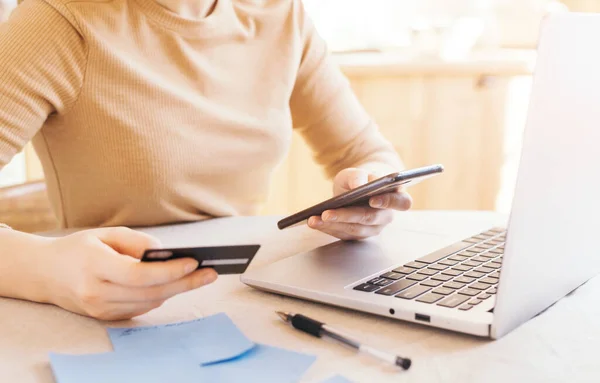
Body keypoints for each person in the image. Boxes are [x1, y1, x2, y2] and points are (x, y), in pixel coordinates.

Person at [0, 0, 412, 320]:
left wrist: (369, 194)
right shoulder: (57, 20)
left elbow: (366, 153)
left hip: (245, 294)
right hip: (103, 306)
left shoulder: (280, 14)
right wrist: (46, 270)